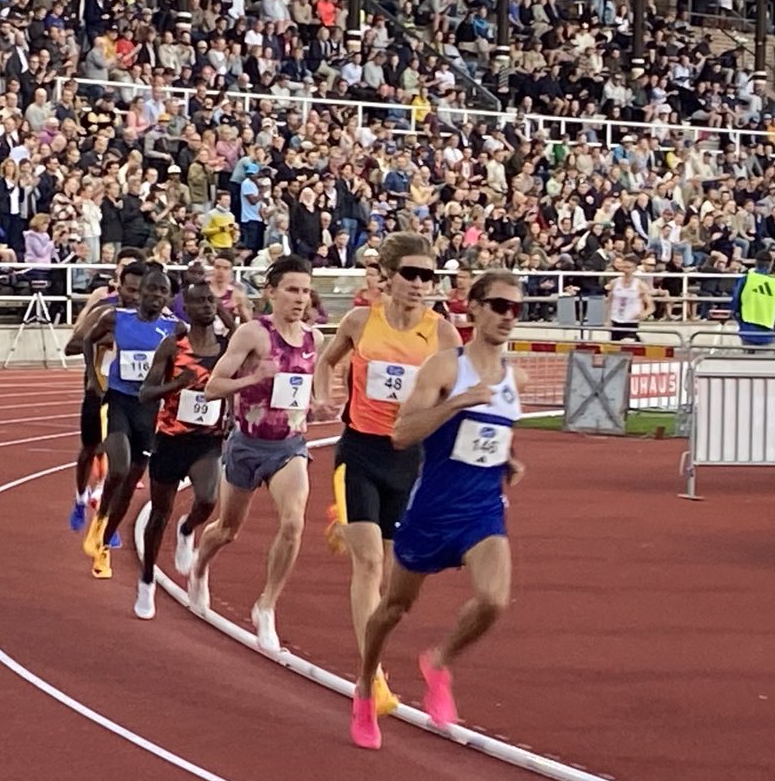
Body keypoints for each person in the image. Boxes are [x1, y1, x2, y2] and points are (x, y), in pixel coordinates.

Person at [350, 270, 527, 751]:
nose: (508, 316)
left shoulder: (515, 378)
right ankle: (365, 685)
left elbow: (492, 435)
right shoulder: (445, 369)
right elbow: (402, 434)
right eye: (499, 306)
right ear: (475, 308)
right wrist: (458, 402)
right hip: (431, 511)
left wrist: (508, 460)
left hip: (482, 511)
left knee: (494, 600)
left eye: (516, 309)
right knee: (394, 608)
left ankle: (440, 662)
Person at [315, 232, 461, 717]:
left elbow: (458, 396)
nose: (420, 284)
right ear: (389, 277)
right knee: (370, 564)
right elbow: (326, 361)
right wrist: (322, 396)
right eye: (411, 274)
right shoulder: (361, 321)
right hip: (360, 452)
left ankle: (344, 522)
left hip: (410, 460)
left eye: (428, 276)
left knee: (398, 570)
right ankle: (372, 674)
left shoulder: (443, 334)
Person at [188, 255, 328, 652]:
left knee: (294, 523)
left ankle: (266, 606)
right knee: (227, 530)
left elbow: (312, 386)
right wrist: (253, 378)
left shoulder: (314, 339)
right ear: (271, 292)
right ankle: (199, 566)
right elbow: (212, 388)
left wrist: (318, 403)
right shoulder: (253, 334)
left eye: (305, 291)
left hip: (289, 447)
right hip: (247, 445)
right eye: (292, 290)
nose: (300, 299)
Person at [133, 282, 229, 620]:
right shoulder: (173, 346)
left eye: (211, 300)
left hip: (207, 440)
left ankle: (188, 528)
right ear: (185, 308)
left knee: (208, 499)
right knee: (159, 513)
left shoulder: (226, 348)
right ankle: (147, 579)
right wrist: (176, 384)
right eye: (198, 301)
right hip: (171, 440)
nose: (207, 306)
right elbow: (145, 393)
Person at [80, 263, 181, 578]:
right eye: (151, 289)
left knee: (131, 479)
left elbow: (200, 348)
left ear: (168, 297)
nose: (155, 295)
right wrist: (94, 378)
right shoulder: (116, 318)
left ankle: (105, 539)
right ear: (141, 292)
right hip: (119, 402)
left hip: (149, 411)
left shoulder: (175, 328)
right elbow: (88, 340)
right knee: (119, 468)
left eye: (162, 291)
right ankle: (99, 521)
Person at [64, 247, 144, 533]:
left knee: (122, 460)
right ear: (119, 286)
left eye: (139, 291)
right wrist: (104, 338)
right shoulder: (103, 311)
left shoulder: (151, 318)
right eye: (130, 290)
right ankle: (80, 497)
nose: (134, 296)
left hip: (130, 398)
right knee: (91, 448)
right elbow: (72, 346)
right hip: (98, 391)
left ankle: (105, 520)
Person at [730, 249, 775, 348]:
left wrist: (740, 320)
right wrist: (773, 322)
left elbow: (735, 302)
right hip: (767, 330)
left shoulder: (746, 279)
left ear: (756, 263)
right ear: (771, 264)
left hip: (747, 328)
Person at [605, 254, 654, 342]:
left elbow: (651, 306)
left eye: (629, 267)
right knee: (615, 346)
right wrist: (607, 319)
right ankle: (638, 341)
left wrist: (644, 314)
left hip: (631, 321)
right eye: (624, 267)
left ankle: (636, 339)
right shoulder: (615, 282)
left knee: (627, 342)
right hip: (616, 320)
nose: (626, 270)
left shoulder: (640, 285)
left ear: (634, 269)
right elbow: (609, 301)